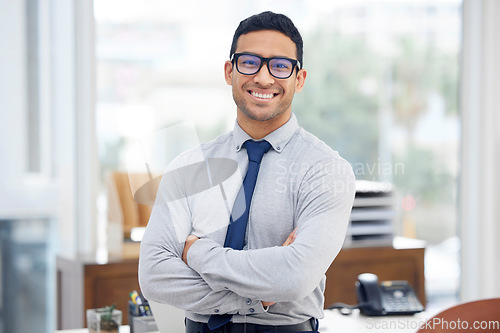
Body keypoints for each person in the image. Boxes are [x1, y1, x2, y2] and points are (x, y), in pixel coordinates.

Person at [139, 11, 356, 333]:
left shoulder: (326, 170)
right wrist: (256, 299)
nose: (264, 78)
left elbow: (293, 278)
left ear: (299, 79)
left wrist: (196, 251)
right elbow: (154, 276)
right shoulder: (189, 166)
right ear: (230, 71)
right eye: (250, 62)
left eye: (280, 66)